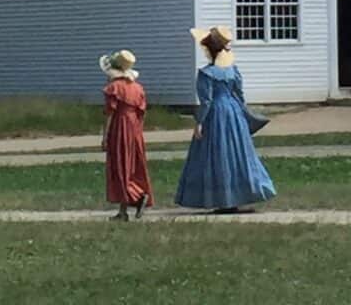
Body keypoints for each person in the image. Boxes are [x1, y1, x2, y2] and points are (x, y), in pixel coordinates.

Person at [175, 25, 276, 213]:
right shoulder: (232, 70)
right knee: (239, 153)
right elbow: (240, 94)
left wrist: (199, 123)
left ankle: (223, 199)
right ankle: (241, 195)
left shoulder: (206, 73)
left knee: (217, 154)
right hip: (233, 112)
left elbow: (206, 101)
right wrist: (241, 112)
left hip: (216, 114)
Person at [100, 49, 153, 221]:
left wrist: (105, 136)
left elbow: (109, 113)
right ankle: (123, 210)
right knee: (131, 165)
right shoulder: (138, 88)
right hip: (134, 128)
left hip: (119, 126)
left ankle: (136, 198)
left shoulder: (114, 88)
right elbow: (141, 113)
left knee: (120, 165)